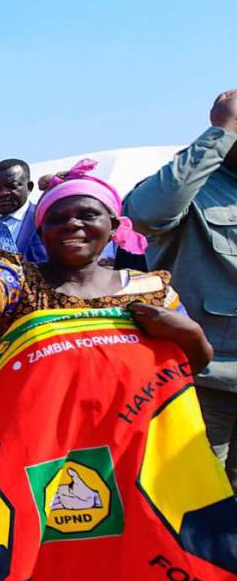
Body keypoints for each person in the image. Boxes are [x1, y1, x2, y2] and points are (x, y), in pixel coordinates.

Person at [0, 158, 214, 375]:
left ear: (114, 226)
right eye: (57, 219)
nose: (72, 225)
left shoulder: (151, 290)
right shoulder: (19, 278)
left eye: (88, 215)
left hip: (131, 443)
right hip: (41, 445)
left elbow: (188, 367)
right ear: (40, 230)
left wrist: (193, 335)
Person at [126, 90, 237, 490]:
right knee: (196, 498)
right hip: (206, 377)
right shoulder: (192, 183)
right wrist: (219, 133)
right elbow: (144, 214)